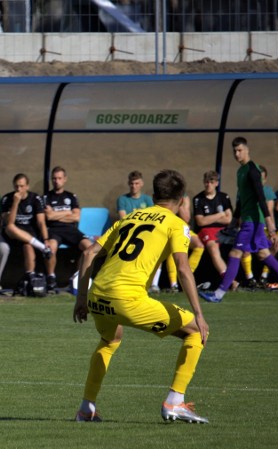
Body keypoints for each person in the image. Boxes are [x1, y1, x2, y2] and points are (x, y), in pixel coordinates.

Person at [72, 169, 210, 423]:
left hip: (98, 294)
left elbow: (89, 253)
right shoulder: (176, 224)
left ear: (153, 194)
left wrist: (81, 299)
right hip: (127, 299)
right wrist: (199, 315)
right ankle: (175, 402)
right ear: (181, 200)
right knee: (194, 331)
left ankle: (86, 408)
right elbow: (182, 268)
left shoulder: (131, 216)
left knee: (111, 338)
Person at [199, 137, 278, 303]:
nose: (237, 154)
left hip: (253, 221)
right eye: (234, 151)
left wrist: (269, 222)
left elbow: (260, 196)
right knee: (263, 254)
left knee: (235, 253)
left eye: (240, 150)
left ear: (247, 150)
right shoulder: (240, 171)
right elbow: (241, 199)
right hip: (248, 220)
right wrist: (234, 219)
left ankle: (218, 294)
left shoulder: (253, 170)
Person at [42, 166, 93, 292]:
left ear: (65, 179)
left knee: (89, 247)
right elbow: (48, 216)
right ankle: (51, 278)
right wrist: (67, 212)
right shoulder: (46, 197)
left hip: (71, 230)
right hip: (54, 230)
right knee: (49, 249)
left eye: (59, 178)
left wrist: (56, 215)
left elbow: (76, 217)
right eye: (54, 178)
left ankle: (78, 276)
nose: (56, 181)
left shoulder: (71, 196)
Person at [116, 170, 161, 292]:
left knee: (157, 251)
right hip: (130, 233)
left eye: (136, 183)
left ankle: (154, 285)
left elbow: (153, 218)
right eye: (131, 183)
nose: (134, 186)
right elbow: (124, 219)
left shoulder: (148, 200)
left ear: (141, 184)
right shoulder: (123, 199)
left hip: (147, 233)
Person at [1, 173, 51, 279]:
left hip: (29, 233)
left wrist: (46, 239)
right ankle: (42, 248)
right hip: (13, 235)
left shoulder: (35, 198)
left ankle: (30, 276)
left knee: (28, 245)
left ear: (27, 186)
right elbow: (9, 222)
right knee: (9, 227)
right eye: (16, 186)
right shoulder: (7, 198)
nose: (19, 189)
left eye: (22, 186)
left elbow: (41, 222)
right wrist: (15, 203)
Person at [240, 165, 278, 288]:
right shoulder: (246, 190)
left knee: (276, 243)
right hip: (250, 225)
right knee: (243, 248)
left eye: (261, 178)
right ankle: (250, 278)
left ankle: (264, 277)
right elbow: (241, 211)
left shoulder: (267, 191)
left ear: (265, 179)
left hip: (263, 227)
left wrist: (272, 232)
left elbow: (270, 212)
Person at [193, 170, 234, 283]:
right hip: (206, 231)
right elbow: (200, 222)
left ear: (216, 183)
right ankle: (229, 281)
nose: (208, 185)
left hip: (224, 230)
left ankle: (250, 278)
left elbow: (228, 219)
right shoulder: (198, 199)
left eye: (211, 182)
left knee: (242, 247)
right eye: (206, 182)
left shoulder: (224, 197)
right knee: (213, 248)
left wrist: (209, 218)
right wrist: (219, 215)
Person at [164, 192, 204, 292]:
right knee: (172, 248)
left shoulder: (184, 197)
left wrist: (180, 203)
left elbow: (186, 218)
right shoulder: (165, 196)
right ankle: (174, 284)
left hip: (183, 228)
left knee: (199, 245)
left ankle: (186, 278)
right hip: (169, 229)